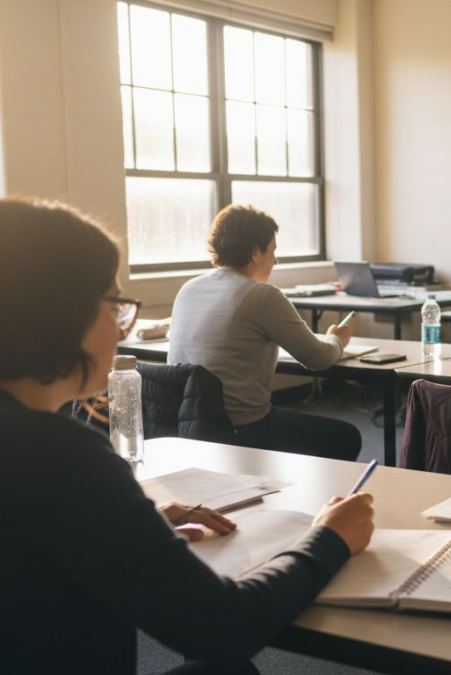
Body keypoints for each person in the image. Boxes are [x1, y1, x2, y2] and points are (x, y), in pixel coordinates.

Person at [0, 197, 376, 674]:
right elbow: (223, 627)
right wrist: (330, 539)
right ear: (58, 313)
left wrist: (133, 520)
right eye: (116, 306)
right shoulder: (63, 458)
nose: (123, 329)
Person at [169, 205, 361, 461]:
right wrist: (337, 338)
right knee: (346, 437)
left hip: (187, 425)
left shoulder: (188, 288)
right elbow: (319, 359)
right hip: (241, 427)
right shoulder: (262, 295)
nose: (275, 261)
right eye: (273, 251)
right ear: (255, 252)